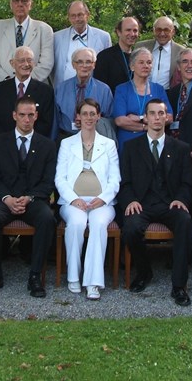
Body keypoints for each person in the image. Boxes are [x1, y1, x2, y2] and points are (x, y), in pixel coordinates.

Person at [117, 99, 192, 306]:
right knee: (131, 227)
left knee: (186, 223)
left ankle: (179, 285)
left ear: (167, 118)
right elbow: (124, 182)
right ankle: (144, 272)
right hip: (141, 204)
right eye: (152, 114)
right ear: (146, 118)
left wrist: (181, 199)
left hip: (170, 204)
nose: (157, 118)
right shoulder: (131, 147)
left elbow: (188, 183)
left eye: (161, 114)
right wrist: (131, 200)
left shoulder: (181, 148)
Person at [0, 97, 58, 298]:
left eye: (30, 115)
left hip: (32, 200)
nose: (26, 119)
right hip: (3, 199)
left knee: (47, 218)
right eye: (22, 115)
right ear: (14, 115)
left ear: (36, 116)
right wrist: (7, 198)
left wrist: (29, 197)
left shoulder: (47, 145)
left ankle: (35, 276)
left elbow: (48, 182)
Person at [55, 99, 120, 301]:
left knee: (98, 224)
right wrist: (74, 199)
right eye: (85, 113)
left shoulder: (109, 145)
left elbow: (115, 178)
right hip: (73, 201)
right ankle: (73, 276)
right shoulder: (67, 144)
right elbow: (60, 178)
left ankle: (93, 282)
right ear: (78, 117)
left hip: (102, 202)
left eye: (93, 113)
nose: (89, 118)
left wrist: (102, 198)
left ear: (99, 116)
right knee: (76, 223)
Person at [0, 0, 54, 83]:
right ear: (11, 4)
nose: (20, 4)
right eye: (16, 1)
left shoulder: (44, 29)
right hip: (3, 87)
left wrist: (25, 83)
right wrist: (9, 82)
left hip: (35, 87)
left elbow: (46, 63)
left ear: (31, 4)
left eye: (24, 1)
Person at [0, 46, 55, 138]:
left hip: (34, 144)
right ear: (12, 63)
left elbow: (46, 123)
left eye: (29, 60)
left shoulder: (46, 91)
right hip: (4, 143)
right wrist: (7, 141)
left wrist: (27, 141)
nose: (26, 64)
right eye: (21, 60)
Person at [113, 47, 172, 150]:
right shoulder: (122, 89)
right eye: (141, 62)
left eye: (149, 62)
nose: (145, 66)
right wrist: (147, 126)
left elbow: (169, 117)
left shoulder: (159, 89)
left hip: (153, 142)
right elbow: (120, 121)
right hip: (128, 143)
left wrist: (138, 118)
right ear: (132, 66)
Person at [53, 47, 114, 140]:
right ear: (73, 65)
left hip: (94, 139)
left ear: (94, 65)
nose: (84, 65)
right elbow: (55, 120)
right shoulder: (61, 88)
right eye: (80, 62)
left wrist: (90, 121)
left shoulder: (104, 90)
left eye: (88, 62)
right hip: (66, 138)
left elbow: (110, 119)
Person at [51, 0, 112, 84]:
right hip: (64, 90)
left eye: (80, 15)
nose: (77, 19)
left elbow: (108, 67)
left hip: (93, 90)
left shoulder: (103, 37)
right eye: (73, 16)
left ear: (87, 15)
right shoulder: (56, 37)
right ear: (68, 17)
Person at [135, 16, 184, 89]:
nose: (162, 34)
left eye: (166, 30)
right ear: (154, 30)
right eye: (159, 30)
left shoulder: (181, 51)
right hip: (142, 93)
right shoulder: (140, 46)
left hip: (168, 96)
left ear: (173, 32)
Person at [94, 16, 140, 93]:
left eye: (135, 30)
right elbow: (99, 88)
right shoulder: (104, 57)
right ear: (119, 32)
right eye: (128, 30)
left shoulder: (138, 57)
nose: (132, 34)